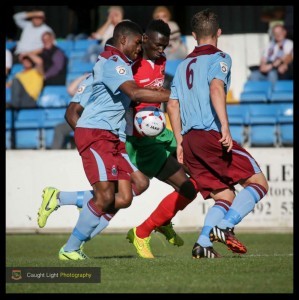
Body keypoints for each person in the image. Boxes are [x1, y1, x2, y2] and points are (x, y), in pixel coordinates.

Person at [39, 20, 170, 260]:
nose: (140, 48)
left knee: (135, 187)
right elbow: (133, 93)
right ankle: (70, 248)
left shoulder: (120, 65)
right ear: (123, 40)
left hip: (114, 138)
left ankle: (63, 198)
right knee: (106, 197)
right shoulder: (113, 64)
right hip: (98, 135)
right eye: (138, 43)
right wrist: (173, 95)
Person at [167, 9, 269, 258]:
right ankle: (225, 227)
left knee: (224, 194)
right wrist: (224, 125)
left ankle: (203, 243)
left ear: (193, 36)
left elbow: (171, 105)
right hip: (210, 134)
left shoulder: (181, 66)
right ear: (219, 33)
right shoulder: (219, 57)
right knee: (258, 183)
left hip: (190, 141)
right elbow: (215, 87)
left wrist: (179, 142)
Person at [125, 19, 198, 258]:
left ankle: (163, 220)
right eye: (157, 45)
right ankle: (142, 233)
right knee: (188, 188)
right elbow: (128, 98)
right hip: (142, 140)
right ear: (144, 39)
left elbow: (160, 98)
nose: (161, 50)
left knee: (196, 174)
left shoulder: (161, 61)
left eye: (164, 46)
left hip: (162, 133)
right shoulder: (130, 65)